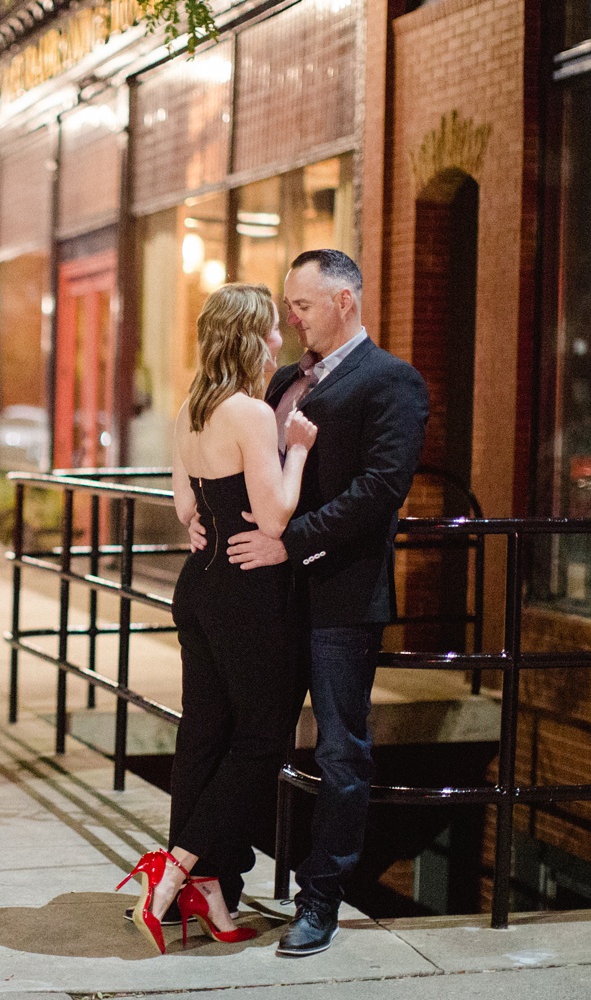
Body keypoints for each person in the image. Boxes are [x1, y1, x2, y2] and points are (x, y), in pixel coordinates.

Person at [224, 249, 429, 957]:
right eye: (289, 304)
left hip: (340, 599)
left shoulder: (392, 382)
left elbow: (379, 492)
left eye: (303, 304)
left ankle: (320, 901)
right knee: (252, 737)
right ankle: (226, 878)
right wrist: (201, 511)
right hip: (269, 598)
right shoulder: (285, 379)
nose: (291, 317)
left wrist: (295, 541)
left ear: (345, 300)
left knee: (341, 754)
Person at [118, 283, 318, 954]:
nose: (278, 341)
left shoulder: (191, 409)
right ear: (247, 340)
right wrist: (300, 450)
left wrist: (206, 519)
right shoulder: (252, 414)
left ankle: (204, 887)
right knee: (263, 735)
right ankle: (175, 870)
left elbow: (184, 509)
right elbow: (275, 516)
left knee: (204, 734)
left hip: (197, 589)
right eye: (268, 331)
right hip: (246, 594)